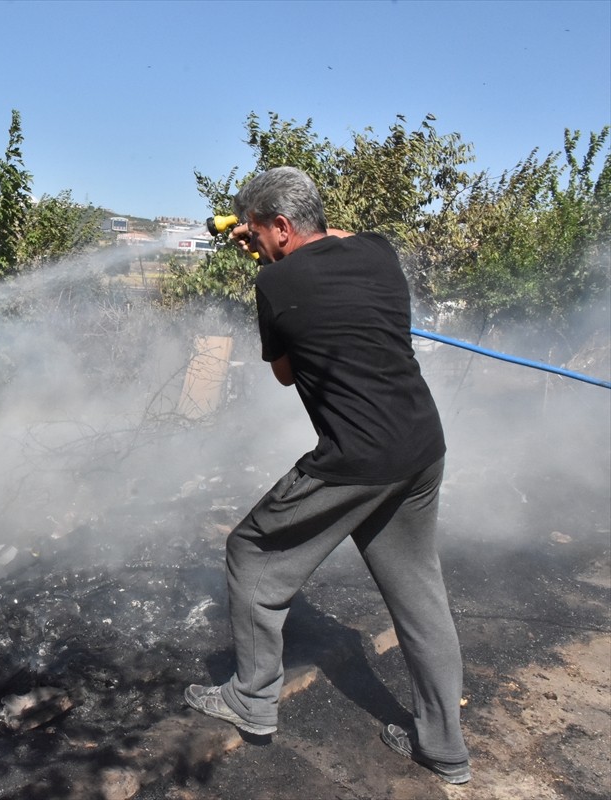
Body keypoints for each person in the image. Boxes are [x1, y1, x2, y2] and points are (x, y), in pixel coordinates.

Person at [184, 166, 470, 785]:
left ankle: (252, 701)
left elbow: (287, 374)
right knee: (420, 598)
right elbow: (329, 238)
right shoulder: (376, 248)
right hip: (421, 446)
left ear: (281, 227)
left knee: (251, 552)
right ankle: (445, 750)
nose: (255, 242)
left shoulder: (275, 282)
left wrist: (270, 265)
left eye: (260, 232)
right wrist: (274, 241)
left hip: (357, 458)